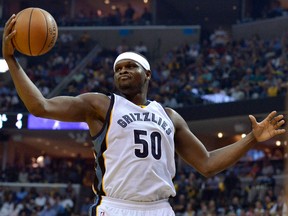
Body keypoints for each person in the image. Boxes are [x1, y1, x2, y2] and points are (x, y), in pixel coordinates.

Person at [2, 15, 286, 216]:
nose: (122, 70)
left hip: (160, 209)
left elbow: (208, 164)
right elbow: (40, 106)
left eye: (130, 66)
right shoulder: (100, 105)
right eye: (118, 68)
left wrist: (251, 138)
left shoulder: (170, 116)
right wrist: (12, 60)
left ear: (147, 73)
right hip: (115, 207)